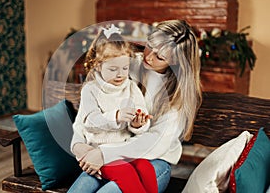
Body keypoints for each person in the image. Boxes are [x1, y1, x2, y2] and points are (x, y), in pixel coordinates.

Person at [69, 20, 202, 193]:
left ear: (176, 62)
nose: (148, 56)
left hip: (152, 159)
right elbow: (88, 112)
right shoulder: (123, 64)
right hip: (108, 151)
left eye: (160, 57)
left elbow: (154, 143)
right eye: (149, 46)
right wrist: (78, 144)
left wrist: (104, 153)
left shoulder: (177, 95)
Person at [69, 24, 158, 193]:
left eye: (125, 68)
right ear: (97, 66)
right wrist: (116, 116)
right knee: (126, 173)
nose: (120, 74)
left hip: (123, 150)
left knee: (146, 168)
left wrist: (139, 124)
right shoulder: (91, 89)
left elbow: (141, 118)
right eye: (113, 69)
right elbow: (89, 122)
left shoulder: (131, 88)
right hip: (99, 152)